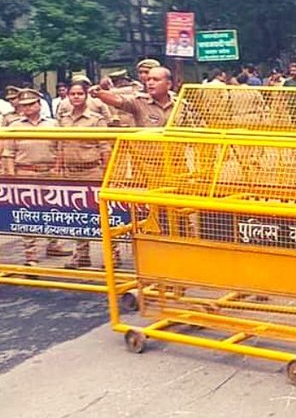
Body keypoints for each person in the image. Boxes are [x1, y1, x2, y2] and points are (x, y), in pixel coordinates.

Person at [1, 89, 72, 265]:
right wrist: (11, 177)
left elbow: (61, 149)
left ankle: (54, 244)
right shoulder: (14, 127)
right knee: (27, 214)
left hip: (49, 172)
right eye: (24, 105)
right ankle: (30, 253)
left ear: (39, 104)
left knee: (53, 211)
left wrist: (58, 170)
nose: (28, 108)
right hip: (25, 172)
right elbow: (8, 154)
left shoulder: (53, 124)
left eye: (32, 104)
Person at [58, 80, 111, 269]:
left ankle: (112, 255)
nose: (76, 97)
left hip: (93, 171)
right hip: (71, 173)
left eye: (80, 93)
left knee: (103, 215)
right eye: (72, 94)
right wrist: (59, 169)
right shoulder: (63, 119)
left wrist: (107, 173)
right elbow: (61, 146)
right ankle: (81, 255)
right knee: (76, 215)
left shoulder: (96, 120)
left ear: (86, 95)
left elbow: (105, 148)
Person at [92, 66, 176, 128]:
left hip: (175, 150)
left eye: (156, 80)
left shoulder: (180, 105)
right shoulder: (139, 101)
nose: (150, 83)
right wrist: (99, 93)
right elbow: (117, 100)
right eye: (148, 79)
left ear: (168, 84)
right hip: (147, 150)